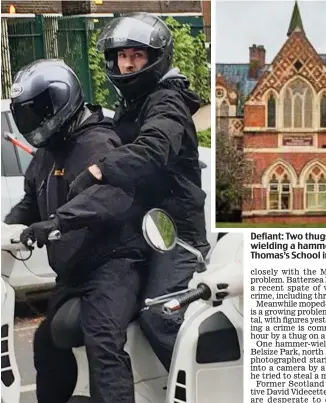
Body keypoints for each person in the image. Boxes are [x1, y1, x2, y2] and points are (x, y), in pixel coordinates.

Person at [66, 12, 211, 370]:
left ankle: (201, 391)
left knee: (161, 316)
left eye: (137, 56)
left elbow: (154, 148)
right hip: (143, 230)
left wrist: (100, 170)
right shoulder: (133, 105)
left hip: (176, 234)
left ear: (156, 59)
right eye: (122, 56)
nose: (127, 65)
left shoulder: (166, 101)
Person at [4, 59, 150, 403]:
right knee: (46, 342)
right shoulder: (48, 151)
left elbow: (111, 196)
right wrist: (11, 225)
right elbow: (30, 200)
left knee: (102, 339)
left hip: (113, 265)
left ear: (59, 104)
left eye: (36, 111)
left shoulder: (97, 143)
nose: (30, 122)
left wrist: (58, 221)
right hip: (73, 272)